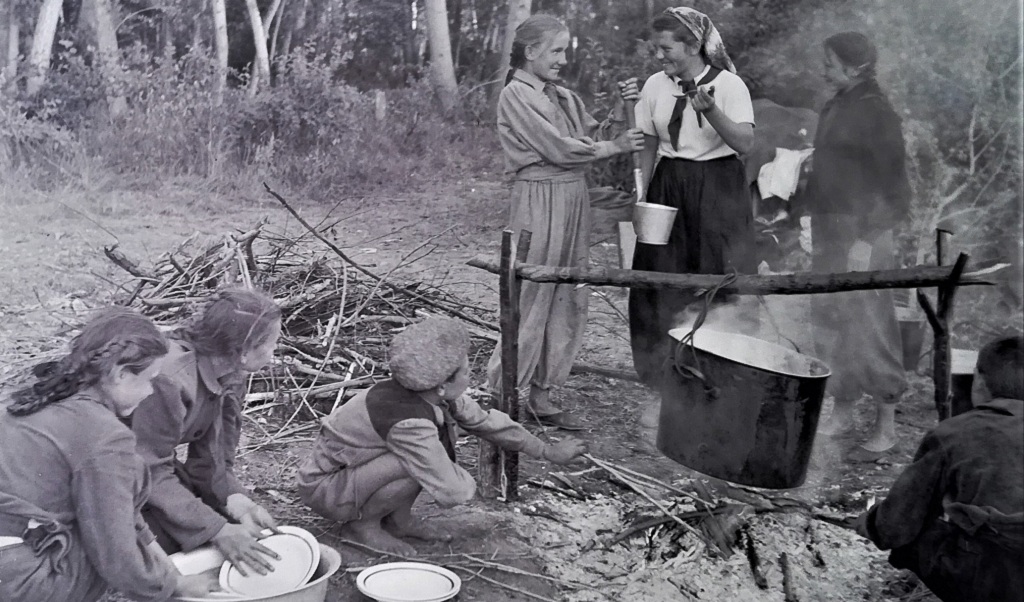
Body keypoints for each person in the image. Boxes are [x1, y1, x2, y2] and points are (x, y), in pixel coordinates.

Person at [298, 317, 587, 556]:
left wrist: (545, 451)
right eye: (465, 372)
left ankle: (399, 521)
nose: (470, 377)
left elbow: (485, 422)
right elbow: (452, 490)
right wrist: (457, 475)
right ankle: (362, 527)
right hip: (327, 488)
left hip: (356, 474)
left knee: (422, 458)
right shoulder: (408, 422)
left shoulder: (430, 393)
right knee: (416, 463)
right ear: (441, 386)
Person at [485, 14, 645, 430]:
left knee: (568, 294)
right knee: (532, 292)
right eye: (555, 50)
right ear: (531, 51)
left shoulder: (564, 97)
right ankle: (502, 394)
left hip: (574, 197)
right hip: (539, 197)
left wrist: (619, 110)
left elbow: (593, 136)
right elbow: (558, 148)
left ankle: (542, 395)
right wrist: (615, 146)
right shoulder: (516, 95)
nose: (562, 59)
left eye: (564, 51)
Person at [0, 309, 216, 602]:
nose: (150, 392)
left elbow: (126, 513)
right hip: (17, 580)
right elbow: (115, 549)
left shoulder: (34, 398)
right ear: (120, 374)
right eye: (149, 380)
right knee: (102, 546)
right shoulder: (106, 435)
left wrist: (168, 570)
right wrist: (170, 586)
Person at [626, 6, 756, 442]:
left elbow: (744, 143)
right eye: (656, 48)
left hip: (718, 190)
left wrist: (712, 110)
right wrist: (642, 194)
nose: (659, 56)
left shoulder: (729, 85)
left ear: (693, 45)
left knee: (716, 283)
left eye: (666, 48)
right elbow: (648, 140)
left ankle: (717, 391)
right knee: (659, 283)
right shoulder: (654, 85)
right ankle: (665, 390)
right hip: (669, 187)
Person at [806, 32, 912, 456]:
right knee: (832, 319)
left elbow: (896, 191)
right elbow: (825, 174)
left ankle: (886, 426)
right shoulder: (835, 105)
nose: (824, 69)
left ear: (856, 67)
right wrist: (809, 221)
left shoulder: (878, 113)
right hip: (830, 229)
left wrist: (867, 239)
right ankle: (843, 410)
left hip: (865, 232)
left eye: (830, 63)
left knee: (871, 323)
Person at [856, 335, 1024, 602]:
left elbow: (896, 525)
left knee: (916, 531)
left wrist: (870, 523)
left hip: (996, 584)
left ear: (979, 380)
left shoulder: (955, 434)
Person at [131, 287, 284, 576]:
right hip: (106, 471)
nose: (273, 352)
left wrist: (234, 499)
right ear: (243, 351)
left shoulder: (230, 373)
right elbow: (146, 468)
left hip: (141, 467)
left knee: (220, 527)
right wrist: (216, 529)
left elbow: (213, 455)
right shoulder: (170, 381)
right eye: (271, 344)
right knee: (171, 545)